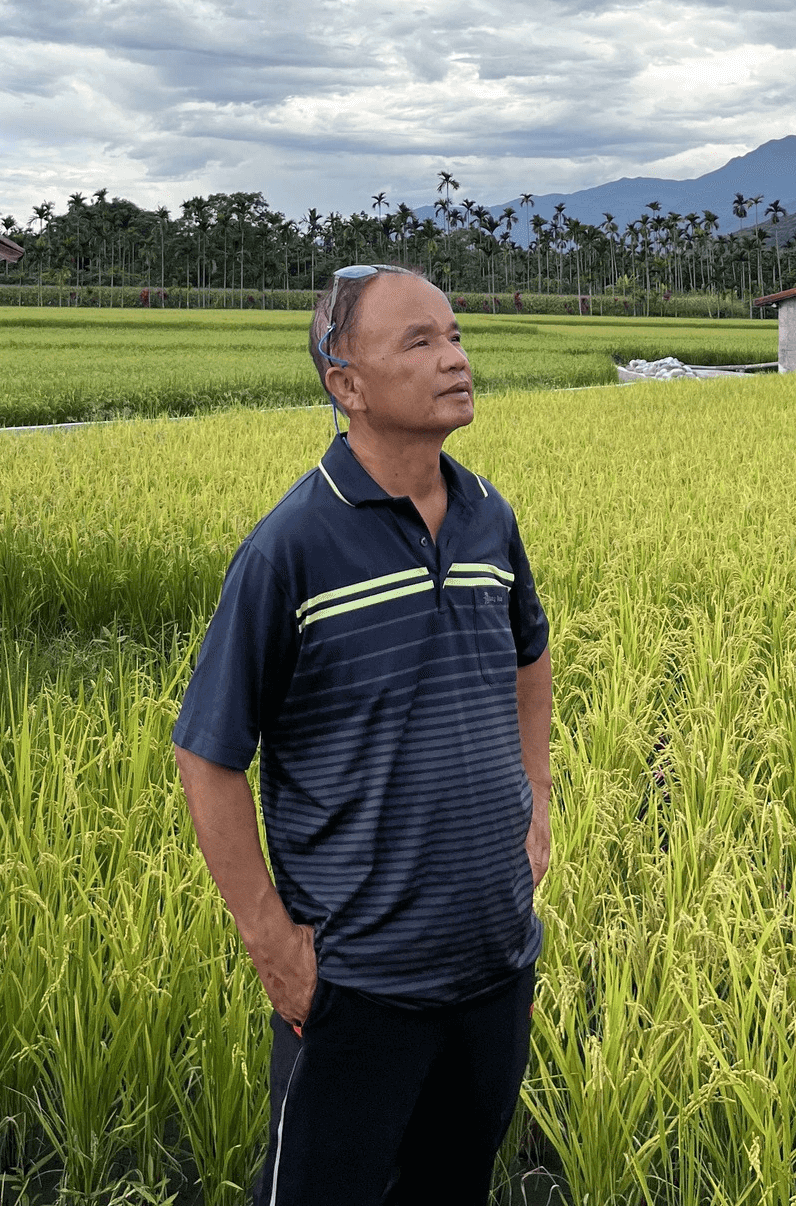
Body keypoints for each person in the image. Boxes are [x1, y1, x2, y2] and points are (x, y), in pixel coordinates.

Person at [173, 264, 552, 1202]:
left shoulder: (488, 517)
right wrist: (273, 943)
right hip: (357, 985)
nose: (455, 359)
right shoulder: (292, 548)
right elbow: (208, 753)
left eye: (455, 335)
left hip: (494, 963)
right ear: (346, 385)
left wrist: (534, 800)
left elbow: (528, 660)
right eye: (419, 343)